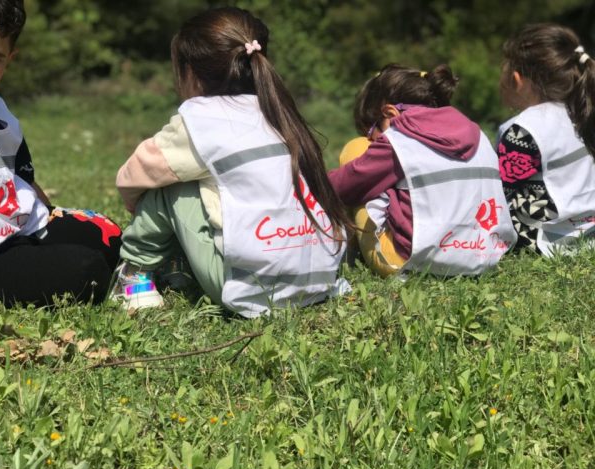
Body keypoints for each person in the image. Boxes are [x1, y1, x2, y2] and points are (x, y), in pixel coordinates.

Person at [112, 6, 351, 317]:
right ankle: (177, 263)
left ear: (190, 73)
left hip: (249, 285)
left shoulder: (199, 122)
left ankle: (134, 273)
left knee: (169, 182)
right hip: (316, 278)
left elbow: (134, 175)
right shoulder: (280, 114)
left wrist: (135, 203)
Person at [0, 0, 122, 308]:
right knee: (85, 271)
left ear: (8, 60)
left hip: (14, 231)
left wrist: (54, 219)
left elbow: (24, 179)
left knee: (107, 233)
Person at [329, 64, 516, 276]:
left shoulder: (398, 140)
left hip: (415, 261)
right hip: (486, 254)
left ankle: (345, 251)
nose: (373, 140)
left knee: (357, 149)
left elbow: (338, 188)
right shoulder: (479, 135)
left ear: (390, 113)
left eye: (372, 131)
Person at [497, 23, 595, 256]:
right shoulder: (582, 111)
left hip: (547, 244)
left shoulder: (522, 130)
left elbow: (498, 196)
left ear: (517, 79)